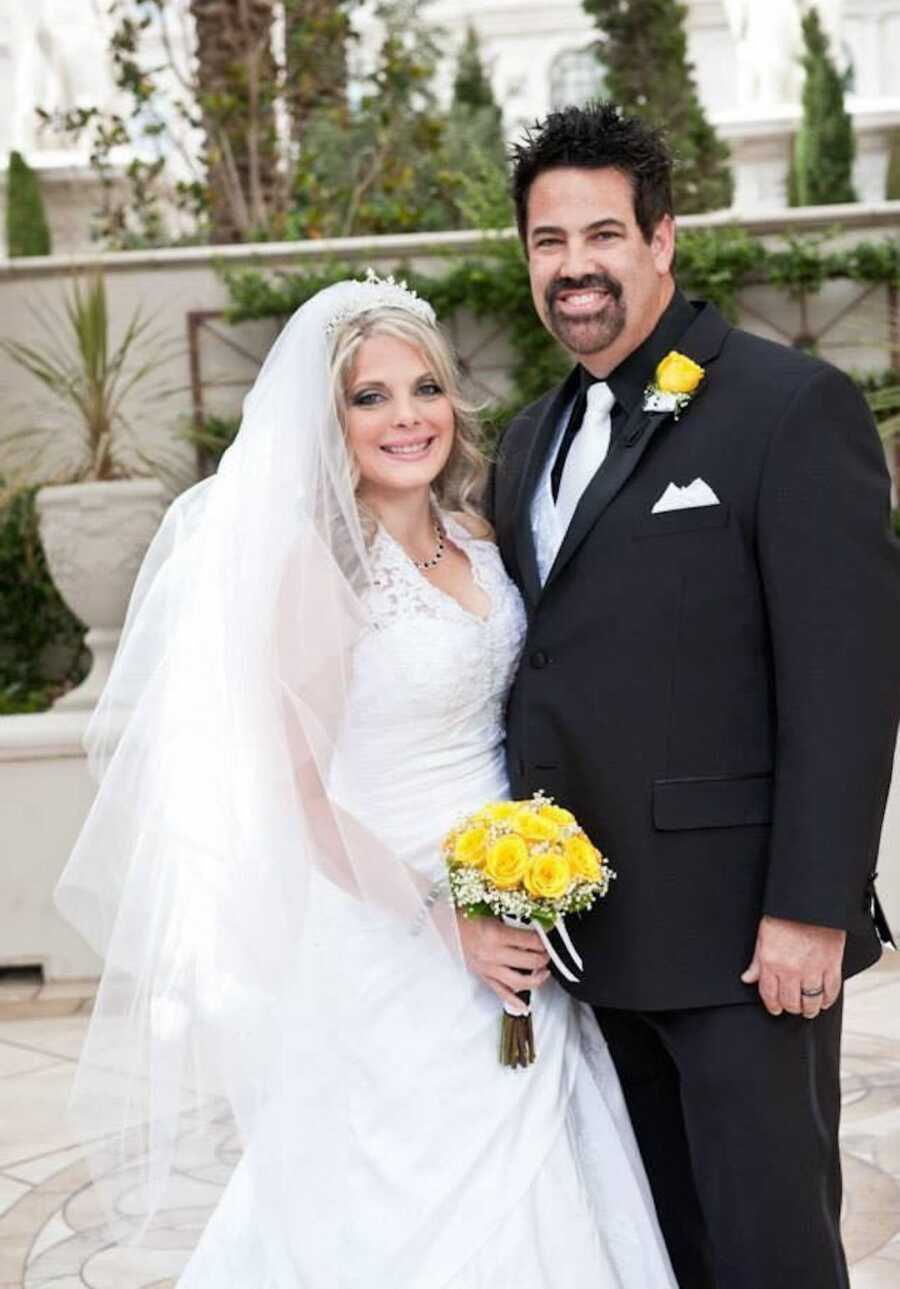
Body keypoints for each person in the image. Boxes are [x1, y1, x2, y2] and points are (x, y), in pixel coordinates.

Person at [56, 275, 677, 1288]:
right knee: (404, 1192)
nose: (406, 417)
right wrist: (448, 918)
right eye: (370, 396)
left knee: (546, 1166)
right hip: (392, 918)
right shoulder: (319, 574)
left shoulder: (477, 537)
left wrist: (522, 877)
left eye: (424, 387)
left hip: (512, 892)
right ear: (328, 422)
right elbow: (299, 800)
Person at [487, 101, 900, 1289]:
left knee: (769, 1252)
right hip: (584, 944)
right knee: (654, 1254)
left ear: (663, 238)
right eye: (548, 244)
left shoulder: (787, 408)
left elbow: (848, 673)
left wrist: (812, 908)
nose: (575, 269)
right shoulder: (526, 442)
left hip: (740, 944)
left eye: (602, 235)